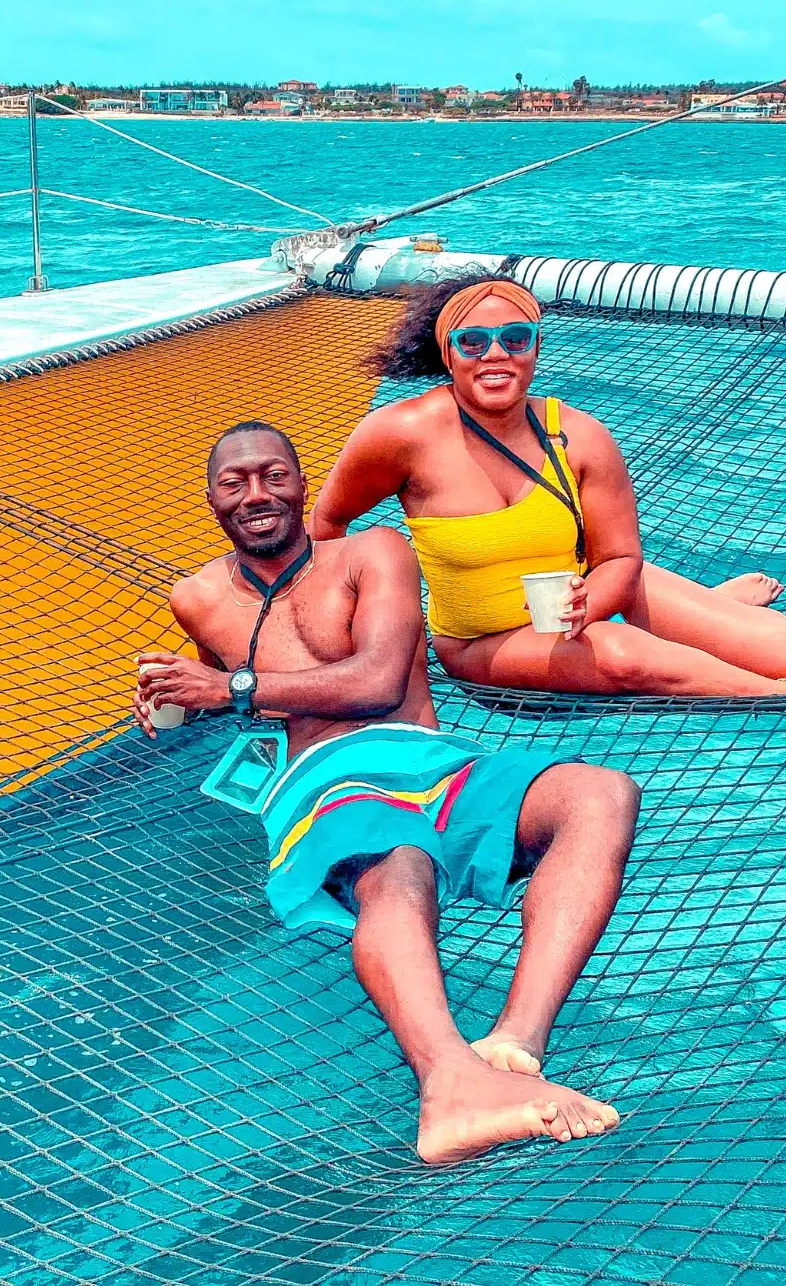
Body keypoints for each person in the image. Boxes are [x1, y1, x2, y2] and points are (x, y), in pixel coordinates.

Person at [133, 421, 635, 1164]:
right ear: (210, 500)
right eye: (234, 482)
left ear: (305, 485)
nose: (256, 494)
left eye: (273, 475)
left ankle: (514, 1043)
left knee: (600, 792)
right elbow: (229, 697)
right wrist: (174, 706)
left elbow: (376, 681)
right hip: (322, 782)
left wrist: (229, 685)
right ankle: (448, 1086)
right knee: (394, 861)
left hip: (434, 762)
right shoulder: (195, 596)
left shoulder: (375, 551)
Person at [308, 276, 786, 698]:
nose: (496, 355)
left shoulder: (580, 436)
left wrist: (594, 600)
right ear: (448, 351)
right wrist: (343, 637)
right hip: (481, 641)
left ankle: (717, 613)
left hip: (581, 604)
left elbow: (618, 557)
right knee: (621, 655)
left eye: (515, 339)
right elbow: (327, 525)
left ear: (535, 347)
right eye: (473, 342)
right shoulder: (399, 434)